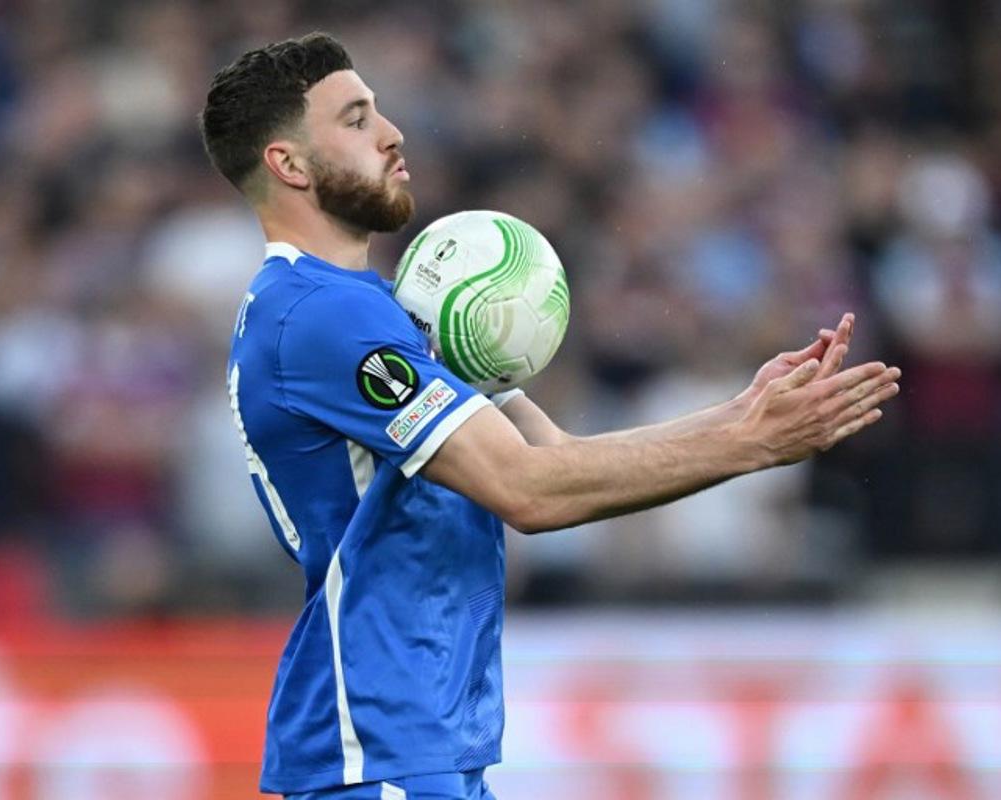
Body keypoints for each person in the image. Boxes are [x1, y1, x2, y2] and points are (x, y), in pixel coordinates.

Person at [197, 32, 899, 800]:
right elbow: (530, 489)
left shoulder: (375, 309)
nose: (393, 133)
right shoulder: (322, 318)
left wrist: (743, 414)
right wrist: (751, 445)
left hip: (422, 747)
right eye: (357, 119)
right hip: (376, 749)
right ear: (288, 165)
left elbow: (557, 452)